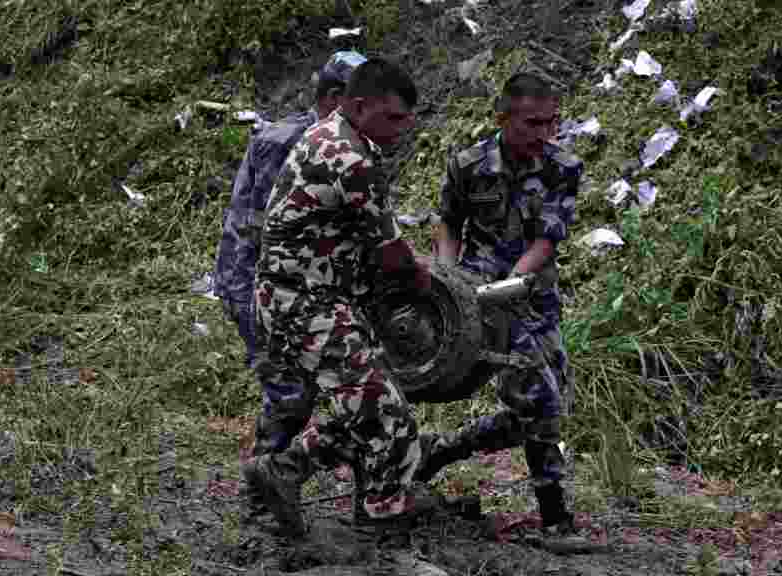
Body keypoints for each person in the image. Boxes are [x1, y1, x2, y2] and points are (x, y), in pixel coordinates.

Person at [240, 57, 437, 537]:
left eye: (406, 119)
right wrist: (431, 286)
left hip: (301, 299)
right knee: (391, 422)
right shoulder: (352, 160)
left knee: (370, 406)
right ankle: (386, 541)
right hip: (305, 306)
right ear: (357, 103)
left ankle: (286, 469)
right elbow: (391, 254)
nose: (401, 129)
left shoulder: (329, 132)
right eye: (392, 118)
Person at [419, 71, 582, 534]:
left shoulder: (562, 167)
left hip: (532, 298)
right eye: (532, 123)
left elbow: (547, 239)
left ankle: (443, 449)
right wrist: (447, 280)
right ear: (503, 118)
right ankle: (555, 519)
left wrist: (512, 282)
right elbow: (448, 222)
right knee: (542, 404)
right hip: (477, 303)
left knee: (541, 409)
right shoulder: (468, 163)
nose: (544, 134)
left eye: (551, 123)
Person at [212, 51, 366, 461]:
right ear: (335, 98)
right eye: (363, 100)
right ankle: (262, 494)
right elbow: (260, 232)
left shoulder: (343, 146)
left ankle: (274, 479)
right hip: (254, 285)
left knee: (326, 385)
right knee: (291, 394)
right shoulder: (282, 143)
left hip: (299, 288)